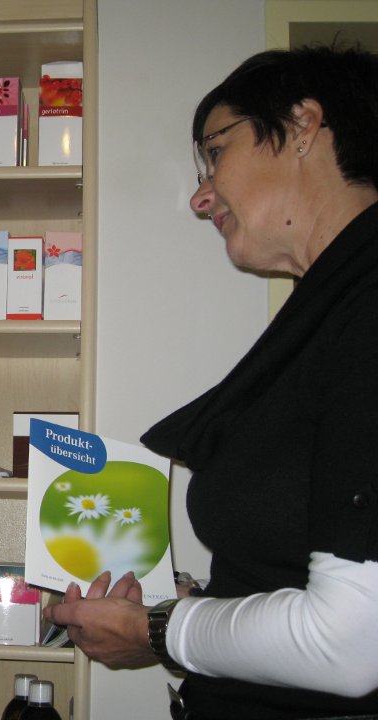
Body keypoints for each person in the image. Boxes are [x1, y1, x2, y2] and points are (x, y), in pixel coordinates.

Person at [44, 45, 378, 720]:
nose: (200, 198)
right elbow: (291, 580)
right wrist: (187, 612)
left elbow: (351, 643)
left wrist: (158, 630)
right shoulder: (327, 315)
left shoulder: (366, 309)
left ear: (303, 125)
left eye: (215, 152)